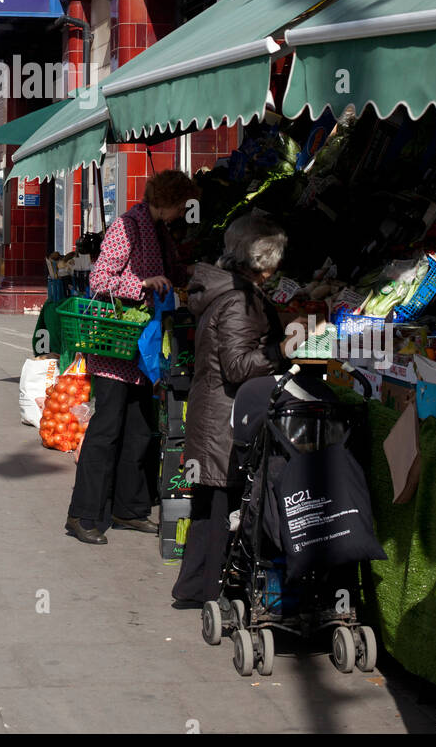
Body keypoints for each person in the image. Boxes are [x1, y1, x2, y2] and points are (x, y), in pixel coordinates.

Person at [65, 169, 194, 546]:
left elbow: (175, 271)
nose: (184, 212)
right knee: (106, 431)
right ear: (167, 201)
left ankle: (129, 509)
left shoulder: (160, 231)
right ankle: (82, 514)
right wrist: (142, 284)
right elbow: (100, 280)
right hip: (114, 347)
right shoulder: (127, 226)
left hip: (144, 352)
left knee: (139, 432)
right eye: (182, 205)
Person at [170, 210, 288, 608]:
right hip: (226, 420)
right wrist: (281, 350)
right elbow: (239, 365)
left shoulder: (225, 290)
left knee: (208, 509)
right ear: (264, 262)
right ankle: (211, 595)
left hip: (213, 414)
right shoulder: (239, 299)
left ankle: (193, 589)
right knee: (221, 508)